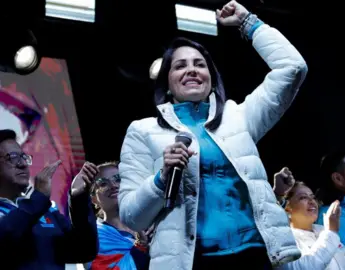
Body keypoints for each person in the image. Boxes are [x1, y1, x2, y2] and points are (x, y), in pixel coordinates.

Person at [117, 1, 308, 269]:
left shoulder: (238, 117)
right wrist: (161, 179)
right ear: (168, 83)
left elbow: (292, 68)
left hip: (256, 256)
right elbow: (130, 216)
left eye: (199, 64)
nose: (192, 70)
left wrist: (248, 23)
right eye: (180, 66)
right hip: (193, 262)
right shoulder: (143, 131)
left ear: (211, 77)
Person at [0, 129, 98, 269]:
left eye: (23, 157)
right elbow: (6, 236)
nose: (22, 164)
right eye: (13, 157)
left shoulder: (46, 210)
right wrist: (38, 197)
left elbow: (83, 251)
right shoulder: (37, 205)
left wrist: (78, 200)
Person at [274, 168, 345, 270]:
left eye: (312, 197)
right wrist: (331, 233)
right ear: (287, 208)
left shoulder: (322, 230)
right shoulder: (284, 241)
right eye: (303, 197)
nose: (311, 201)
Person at [86, 162, 150, 270]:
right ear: (94, 199)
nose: (113, 186)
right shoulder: (94, 237)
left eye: (118, 179)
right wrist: (141, 246)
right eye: (103, 184)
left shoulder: (152, 222)